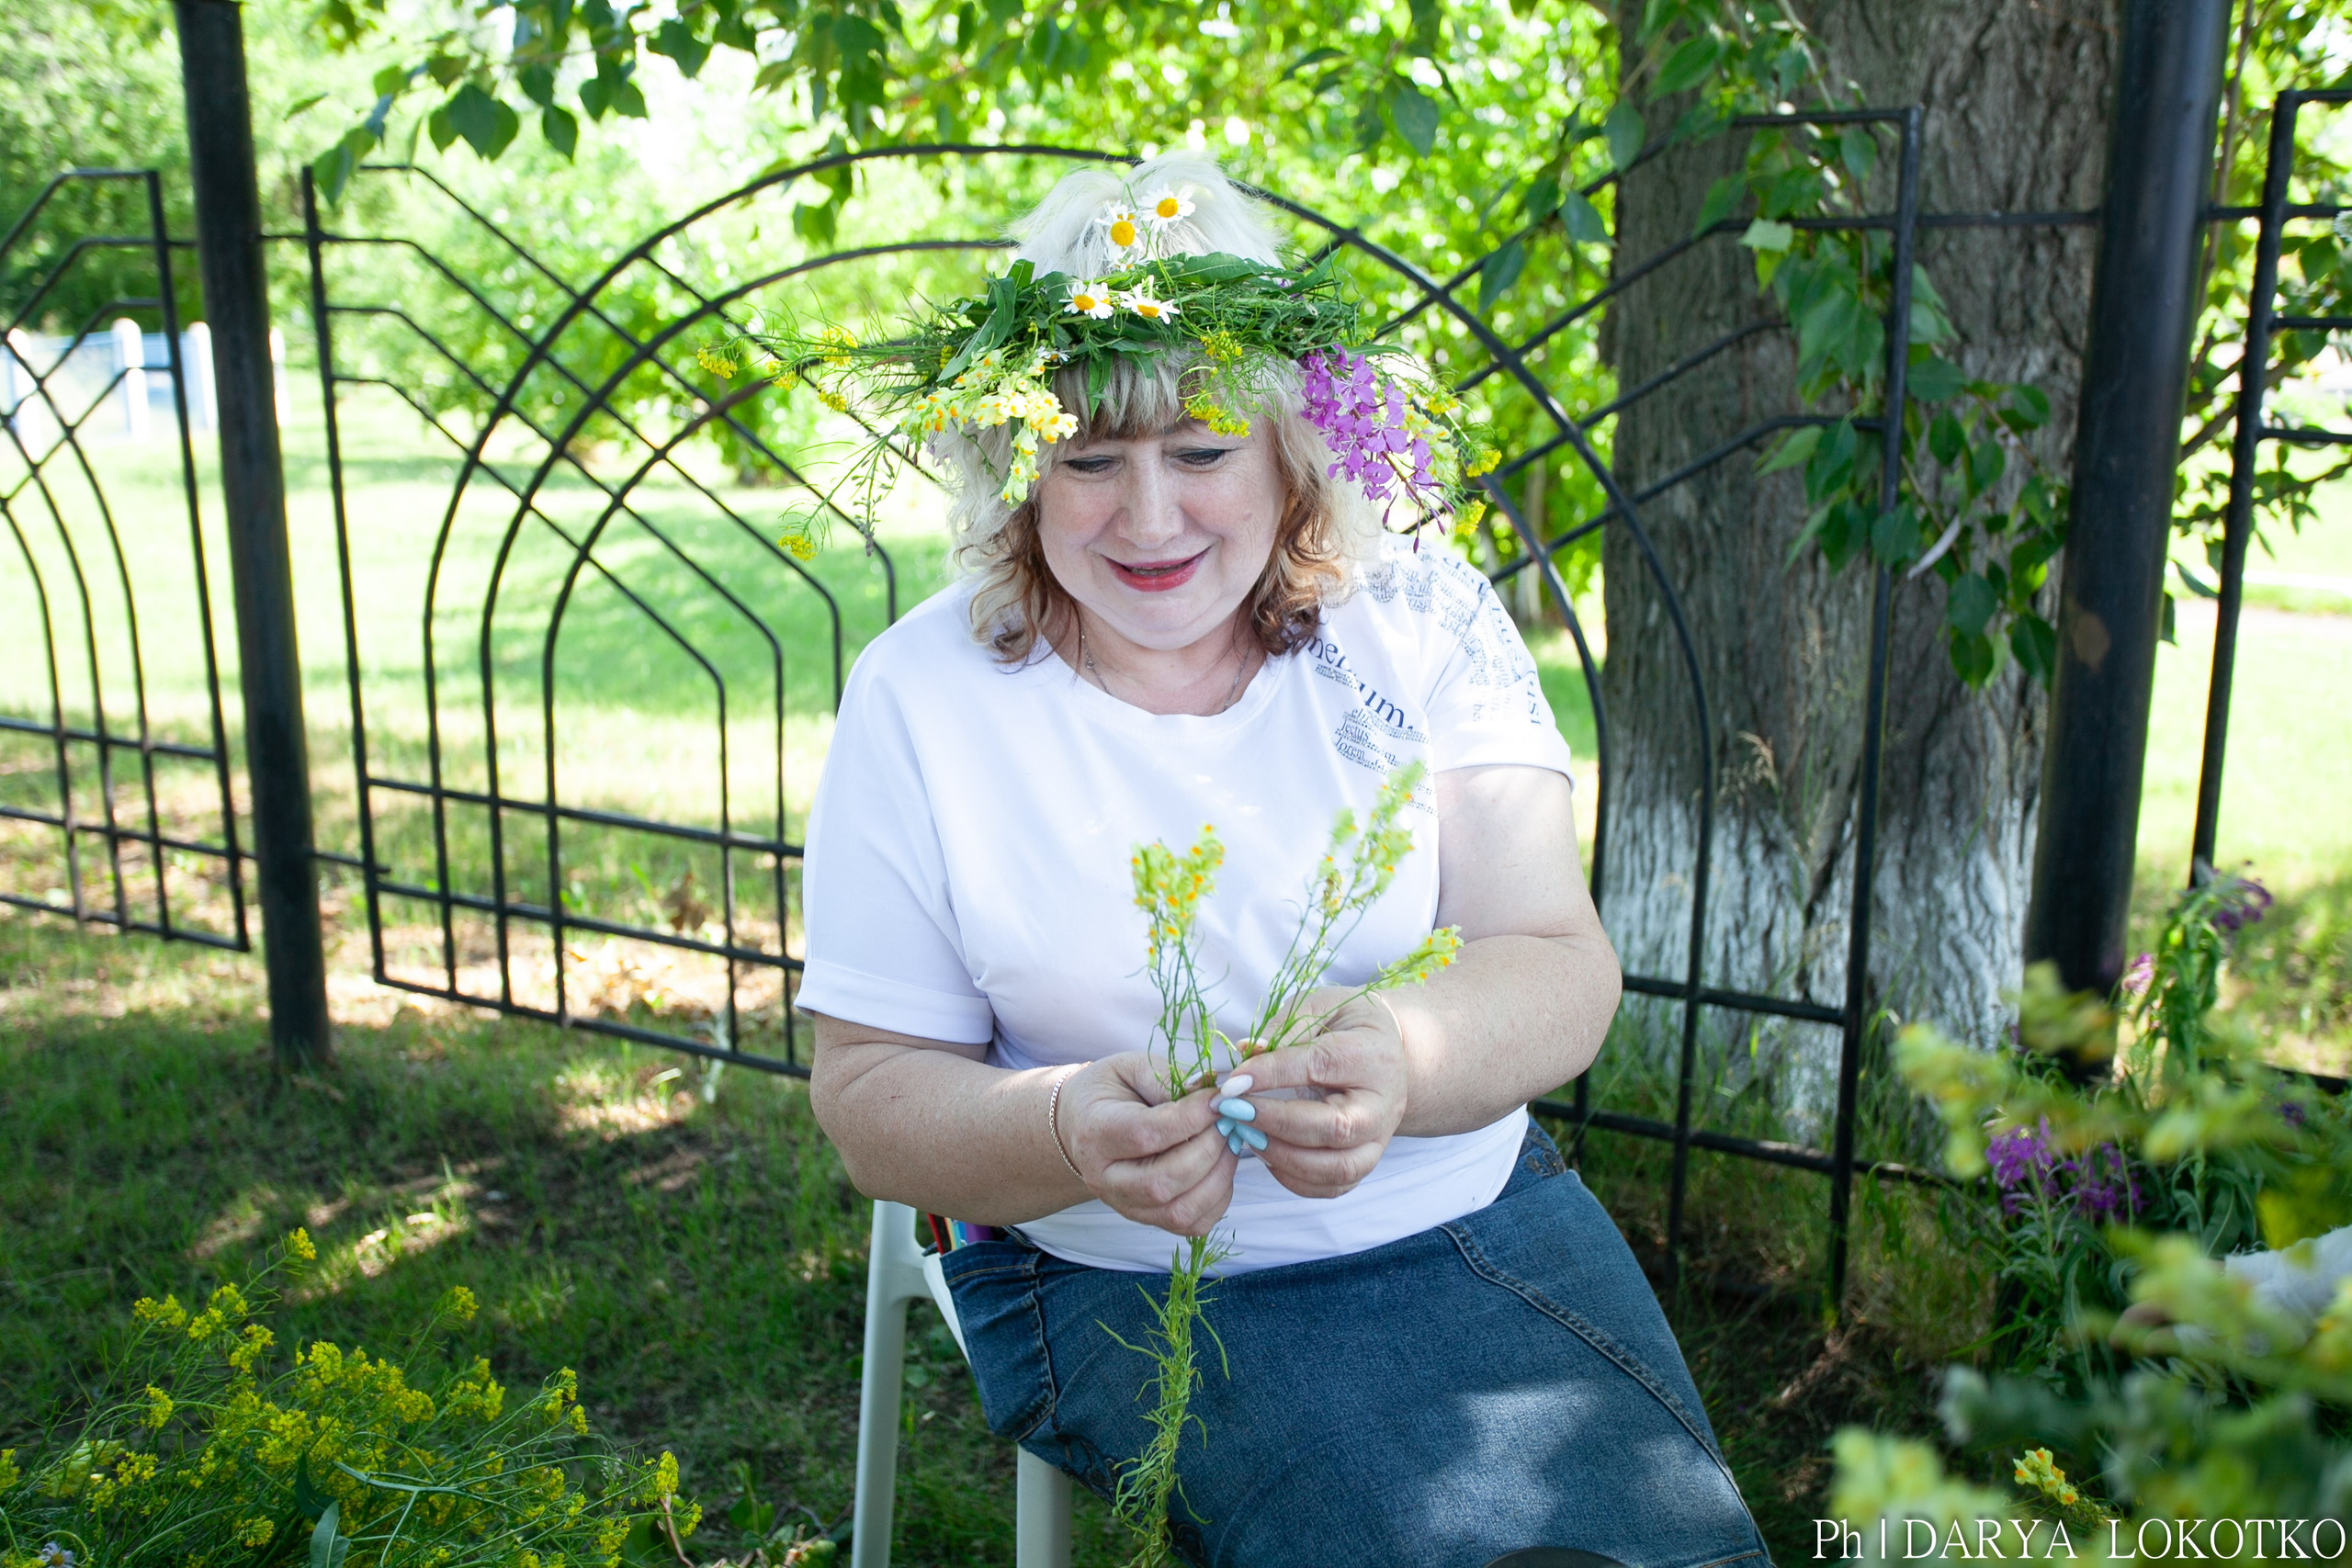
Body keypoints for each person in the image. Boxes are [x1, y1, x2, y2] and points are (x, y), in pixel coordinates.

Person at [796, 152, 1769, 1568]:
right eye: (1087, 460)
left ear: (1288, 447)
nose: (1148, 518)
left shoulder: (1419, 615)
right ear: (1018, 466)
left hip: (1469, 1216)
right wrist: (1068, 1130)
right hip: (1110, 1268)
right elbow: (872, 1097)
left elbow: (1556, 962)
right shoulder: (923, 694)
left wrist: (1405, 1056)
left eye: (1200, 450)